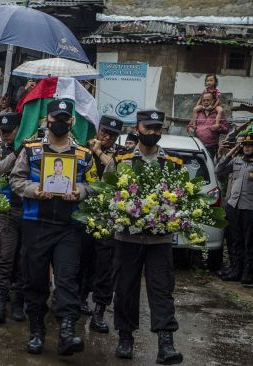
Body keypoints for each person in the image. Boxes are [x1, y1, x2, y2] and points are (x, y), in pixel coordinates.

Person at [10, 99, 97, 356]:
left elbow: (95, 186)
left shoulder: (84, 155)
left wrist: (80, 191)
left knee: (67, 277)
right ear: (46, 121)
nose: (59, 123)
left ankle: (67, 332)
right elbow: (16, 180)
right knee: (34, 279)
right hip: (36, 223)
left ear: (71, 121)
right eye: (55, 118)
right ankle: (37, 331)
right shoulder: (30, 149)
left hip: (69, 226)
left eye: (64, 118)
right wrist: (34, 190)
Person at [111, 110, 184, 365]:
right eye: (148, 127)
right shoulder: (121, 160)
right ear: (137, 128)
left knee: (162, 289)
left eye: (157, 128)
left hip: (159, 241)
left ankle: (166, 343)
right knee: (125, 288)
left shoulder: (174, 163)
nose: (152, 132)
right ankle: (125, 338)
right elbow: (107, 193)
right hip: (127, 239)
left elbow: (182, 197)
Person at [80, 115, 124, 333]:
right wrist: (91, 151)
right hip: (84, 215)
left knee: (104, 267)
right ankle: (79, 300)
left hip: (108, 219)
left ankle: (99, 311)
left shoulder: (120, 156)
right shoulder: (84, 149)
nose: (107, 137)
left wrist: (99, 152)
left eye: (112, 135)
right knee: (81, 261)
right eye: (104, 132)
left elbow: (117, 172)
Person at [215, 133, 253, 284]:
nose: (246, 148)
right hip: (234, 206)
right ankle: (235, 270)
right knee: (236, 241)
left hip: (251, 208)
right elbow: (219, 171)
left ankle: (247, 273)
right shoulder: (237, 160)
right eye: (244, 145)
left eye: (250, 145)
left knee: (249, 242)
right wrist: (231, 152)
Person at [0, 112, 25, 324]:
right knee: (3, 257)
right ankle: (0, 303)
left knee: (25, 260)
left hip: (28, 210)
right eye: (2, 131)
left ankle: (19, 303)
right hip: (6, 209)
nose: (5, 135)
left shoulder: (33, 148)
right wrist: (15, 153)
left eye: (9, 131)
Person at [187, 91, 228, 158]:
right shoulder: (198, 112)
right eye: (204, 100)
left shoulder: (217, 112)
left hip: (212, 147)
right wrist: (190, 128)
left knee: (210, 166)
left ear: (213, 101)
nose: (206, 102)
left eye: (208, 100)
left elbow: (226, 129)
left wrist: (218, 127)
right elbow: (190, 125)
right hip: (198, 146)